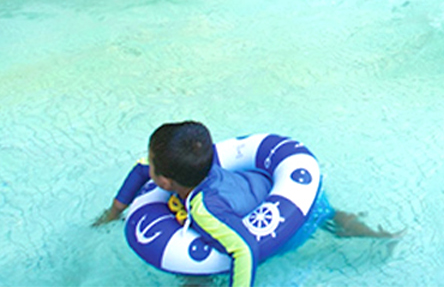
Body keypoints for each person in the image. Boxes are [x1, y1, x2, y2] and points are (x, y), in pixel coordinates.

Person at [95, 121, 390, 286]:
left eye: (153, 165)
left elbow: (244, 250)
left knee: (195, 278)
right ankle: (377, 236)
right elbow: (140, 169)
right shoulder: (202, 165)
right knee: (326, 214)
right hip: (268, 188)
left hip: (275, 227)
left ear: (165, 182)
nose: (147, 163)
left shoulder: (205, 210)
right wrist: (113, 213)